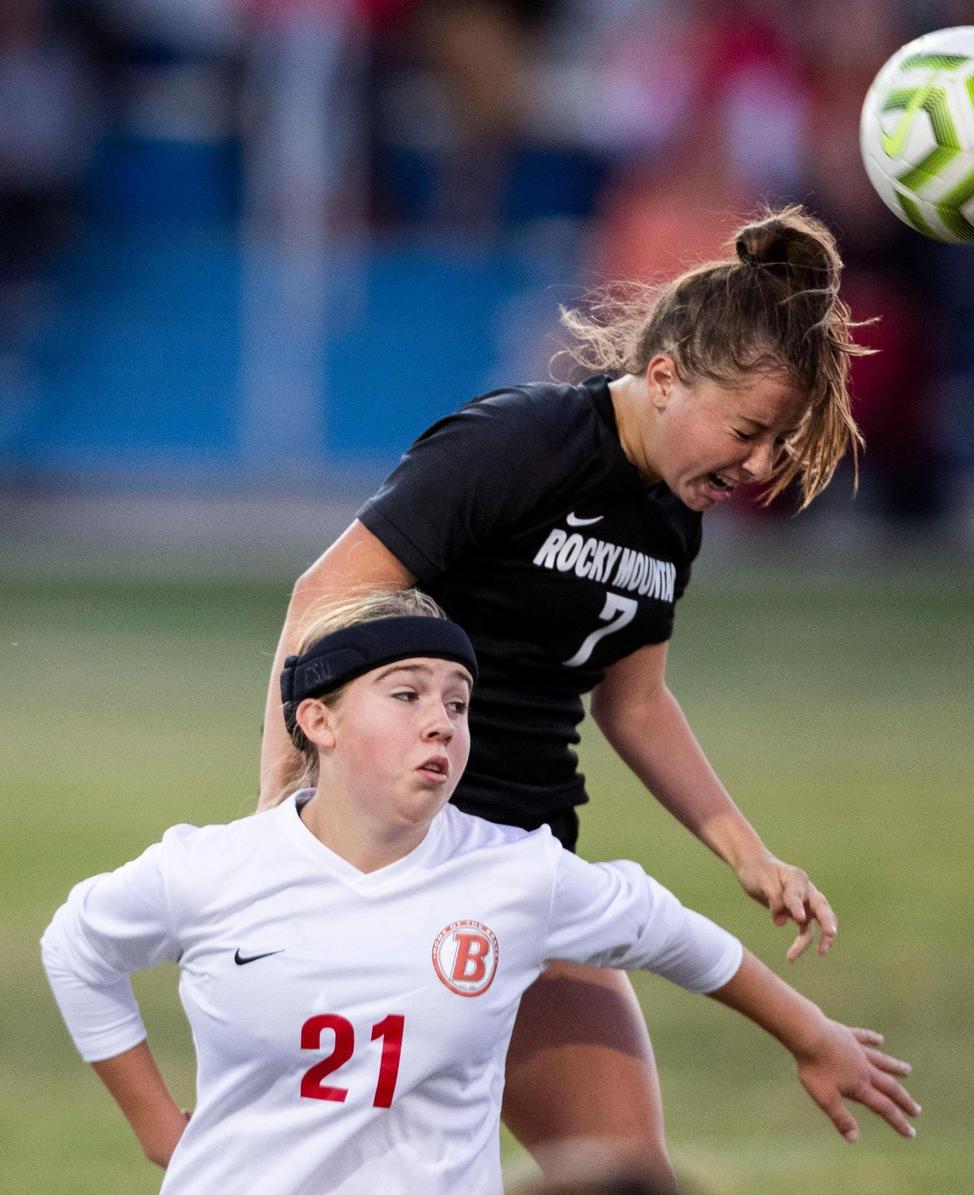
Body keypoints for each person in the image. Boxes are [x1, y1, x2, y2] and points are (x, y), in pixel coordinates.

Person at [259, 205, 868, 1177]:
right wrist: (276, 831)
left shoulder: (672, 515)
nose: (759, 466)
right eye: (749, 431)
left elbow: (635, 702)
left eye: (778, 443)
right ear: (664, 377)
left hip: (528, 866)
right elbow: (324, 599)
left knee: (626, 1172)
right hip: (396, 864)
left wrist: (747, 852)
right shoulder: (522, 441)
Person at [44, 591, 919, 1194]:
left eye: (459, 702)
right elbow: (76, 948)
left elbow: (668, 930)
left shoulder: (515, 874)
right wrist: (157, 1125)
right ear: (318, 719)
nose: (441, 721)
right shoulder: (213, 869)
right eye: (407, 694)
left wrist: (811, 1033)